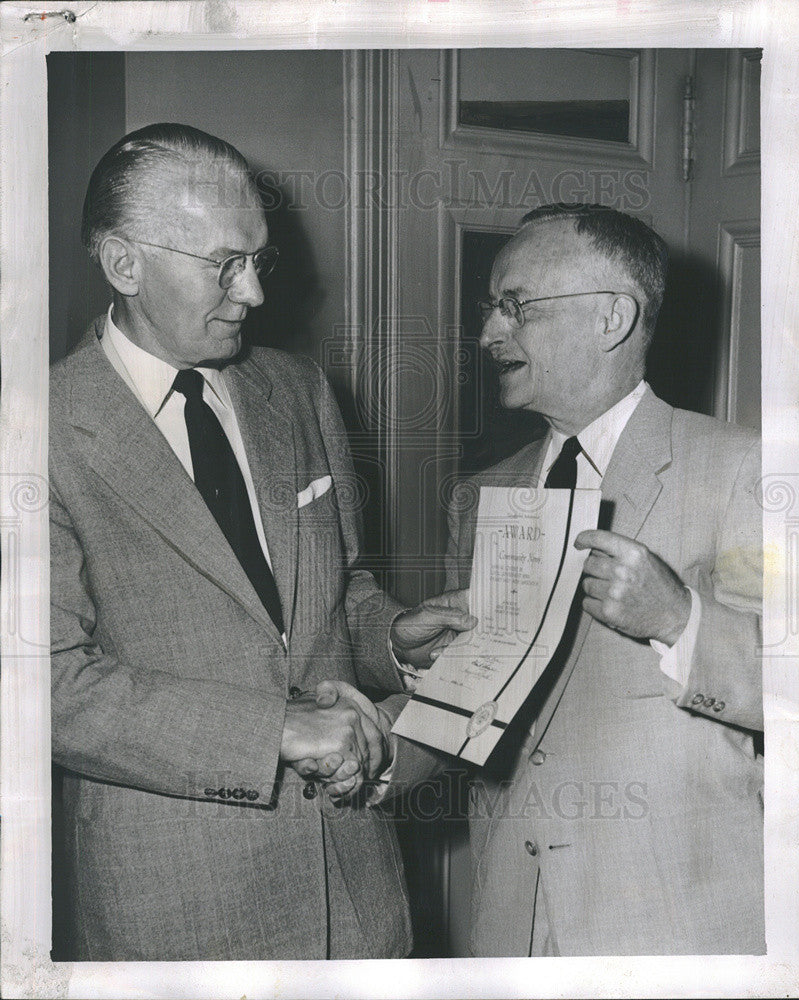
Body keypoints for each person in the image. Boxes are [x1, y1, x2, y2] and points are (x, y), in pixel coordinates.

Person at [49, 123, 468, 961]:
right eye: (224, 265)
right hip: (176, 912)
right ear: (125, 263)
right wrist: (272, 730)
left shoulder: (297, 389)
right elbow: (44, 686)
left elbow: (336, 591)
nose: (254, 294)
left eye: (260, 261)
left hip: (356, 894)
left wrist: (391, 635)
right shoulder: (39, 430)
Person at [390, 203, 764, 956]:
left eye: (515, 306)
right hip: (512, 923)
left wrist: (680, 621)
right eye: (492, 309)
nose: (490, 333)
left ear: (612, 318)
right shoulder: (481, 496)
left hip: (672, 925)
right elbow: (486, 720)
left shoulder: (743, 467)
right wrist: (422, 665)